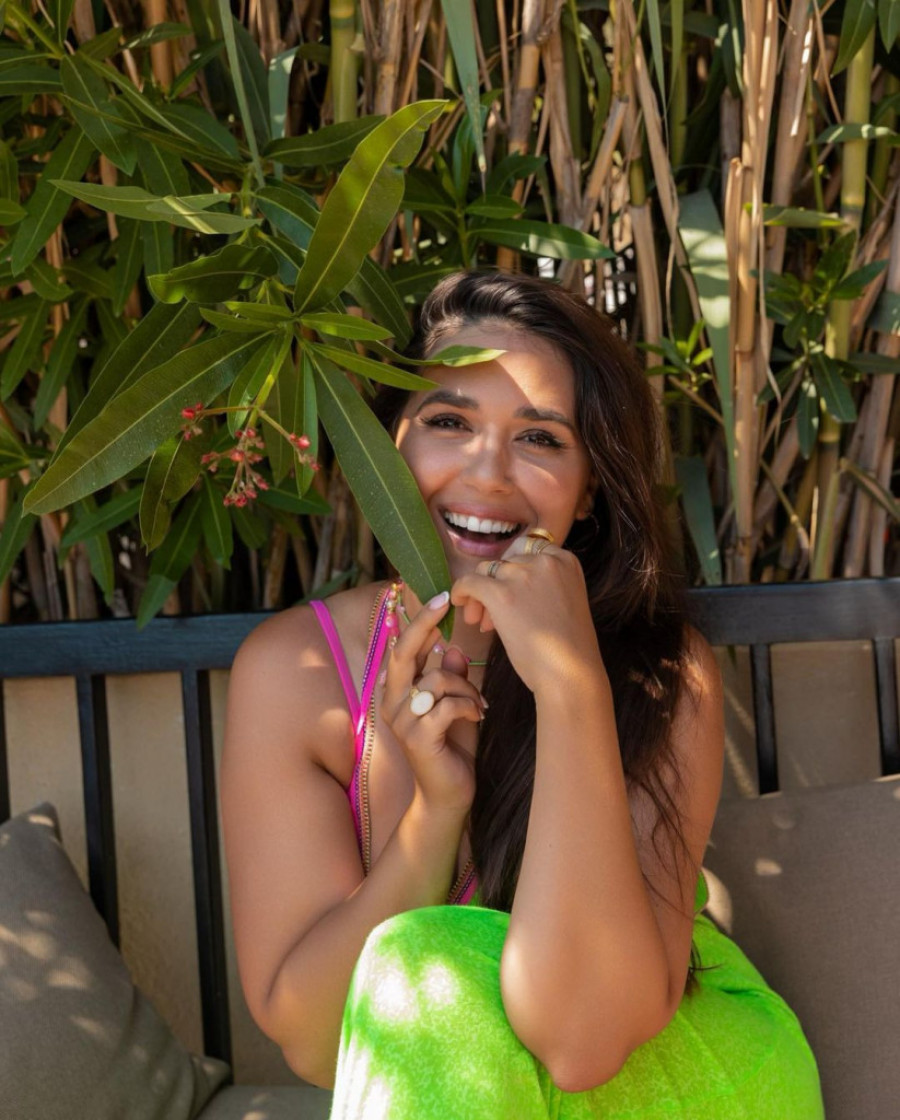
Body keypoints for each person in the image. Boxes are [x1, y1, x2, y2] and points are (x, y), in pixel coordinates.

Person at [221, 271, 824, 1118]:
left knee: (428, 970)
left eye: (540, 438)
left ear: (590, 488)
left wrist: (572, 689)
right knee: (424, 970)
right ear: (387, 447)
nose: (488, 473)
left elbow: (582, 1041)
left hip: (674, 1083)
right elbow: (319, 1040)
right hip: (459, 1087)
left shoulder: (660, 671)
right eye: (449, 422)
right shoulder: (297, 672)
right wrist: (436, 813)